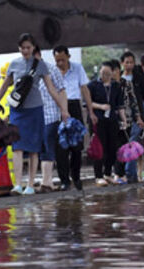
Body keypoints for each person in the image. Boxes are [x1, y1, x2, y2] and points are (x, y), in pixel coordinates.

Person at [0, 33, 67, 196]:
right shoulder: (14, 64)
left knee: (34, 147)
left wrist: (63, 108)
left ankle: (30, 184)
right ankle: (17, 184)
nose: (25, 50)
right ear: (19, 48)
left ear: (33, 47)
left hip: (35, 109)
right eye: (22, 48)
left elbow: (51, 88)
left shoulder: (41, 65)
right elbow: (5, 85)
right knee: (17, 146)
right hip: (17, 109)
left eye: (28, 47)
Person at [53, 45, 97, 191]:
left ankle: (76, 177)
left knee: (77, 146)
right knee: (61, 147)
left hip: (74, 106)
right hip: (58, 107)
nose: (60, 63)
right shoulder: (52, 71)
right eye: (57, 60)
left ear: (68, 57)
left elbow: (85, 89)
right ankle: (64, 180)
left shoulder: (77, 68)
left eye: (63, 60)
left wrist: (91, 111)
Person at [87, 62, 126, 187]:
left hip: (112, 120)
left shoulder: (116, 86)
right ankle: (98, 175)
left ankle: (107, 173)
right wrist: (101, 106)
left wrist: (124, 119)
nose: (105, 76)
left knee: (112, 147)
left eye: (108, 74)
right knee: (99, 147)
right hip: (97, 120)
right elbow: (87, 102)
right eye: (103, 73)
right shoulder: (92, 85)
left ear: (112, 73)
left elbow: (120, 105)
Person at [36, 47, 67, 192]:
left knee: (47, 147)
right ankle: (46, 181)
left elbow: (61, 90)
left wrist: (64, 110)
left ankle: (46, 181)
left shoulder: (51, 69)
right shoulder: (26, 70)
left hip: (50, 114)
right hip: (34, 115)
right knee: (39, 148)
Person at [111, 59, 142, 184]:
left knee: (125, 146)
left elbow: (133, 102)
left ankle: (122, 174)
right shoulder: (109, 85)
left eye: (113, 70)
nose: (112, 73)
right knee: (116, 147)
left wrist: (138, 117)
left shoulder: (127, 84)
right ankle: (117, 173)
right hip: (114, 120)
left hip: (127, 119)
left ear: (118, 70)